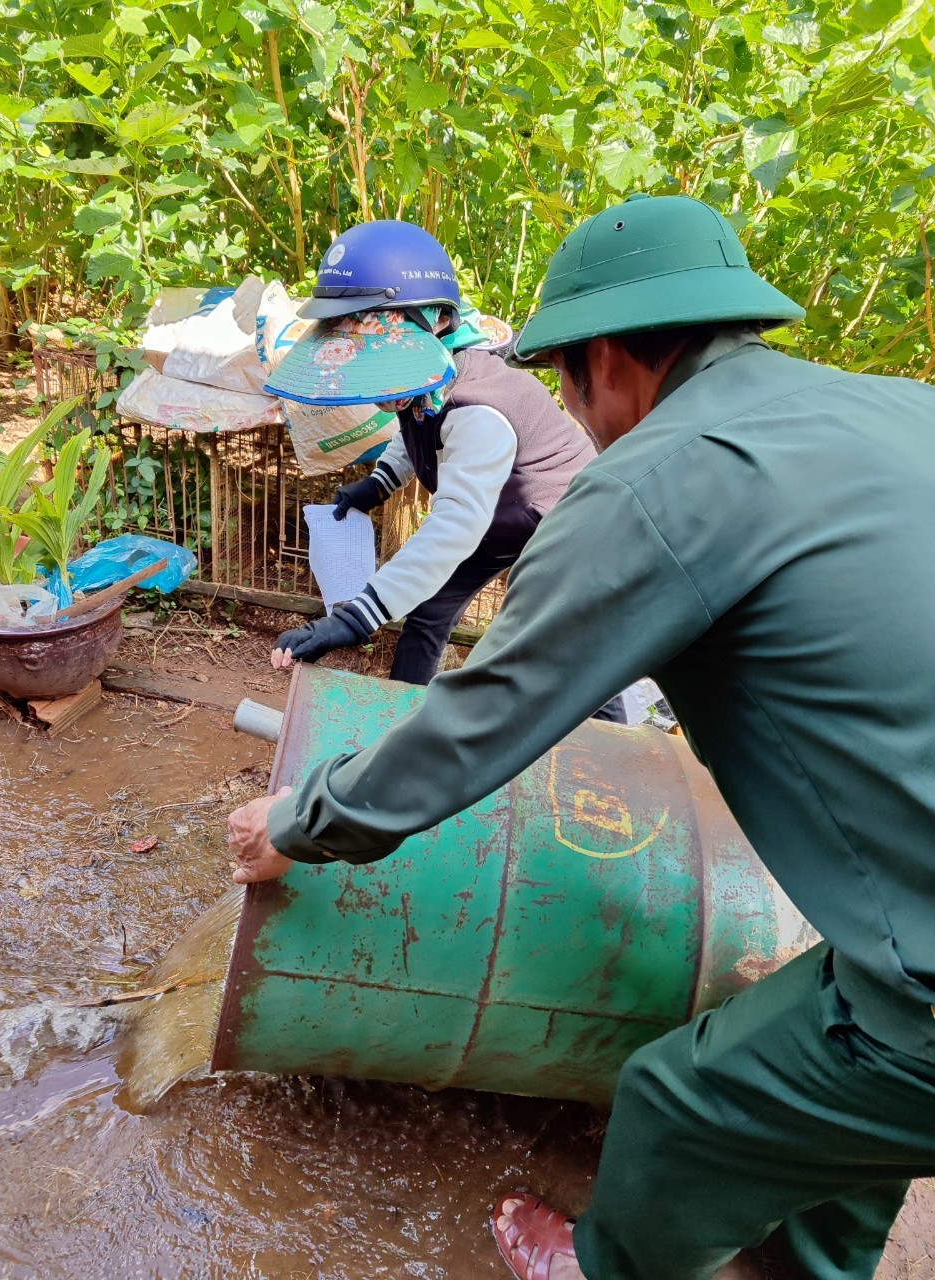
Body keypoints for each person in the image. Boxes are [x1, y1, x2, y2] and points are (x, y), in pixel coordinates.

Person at [229, 192, 935, 1280]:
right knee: (834, 1086)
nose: (577, 403)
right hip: (901, 897)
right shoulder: (899, 408)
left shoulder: (653, 477)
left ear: (607, 360)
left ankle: (604, 1265)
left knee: (675, 1099)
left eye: (570, 373)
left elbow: (488, 715)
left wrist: (303, 818)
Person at [264, 219, 621, 708]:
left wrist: (356, 618)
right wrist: (378, 485)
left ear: (433, 320)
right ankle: (398, 718)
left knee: (572, 645)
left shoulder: (479, 408)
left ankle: (615, 756)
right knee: (428, 611)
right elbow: (420, 434)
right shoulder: (427, 389)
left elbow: (455, 525)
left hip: (562, 522)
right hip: (498, 519)